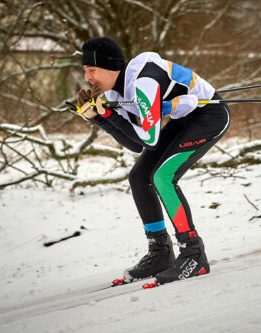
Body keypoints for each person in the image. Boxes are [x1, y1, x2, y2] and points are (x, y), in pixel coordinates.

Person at [76, 37, 230, 284]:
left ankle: (193, 252)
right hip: (184, 119)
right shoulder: (116, 90)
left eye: (92, 70)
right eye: (85, 71)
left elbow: (148, 139)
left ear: (110, 67)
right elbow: (136, 144)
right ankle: (160, 251)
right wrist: (101, 118)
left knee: (162, 176)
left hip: (208, 116)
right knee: (139, 176)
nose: (88, 78)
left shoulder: (143, 82)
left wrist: (106, 114)